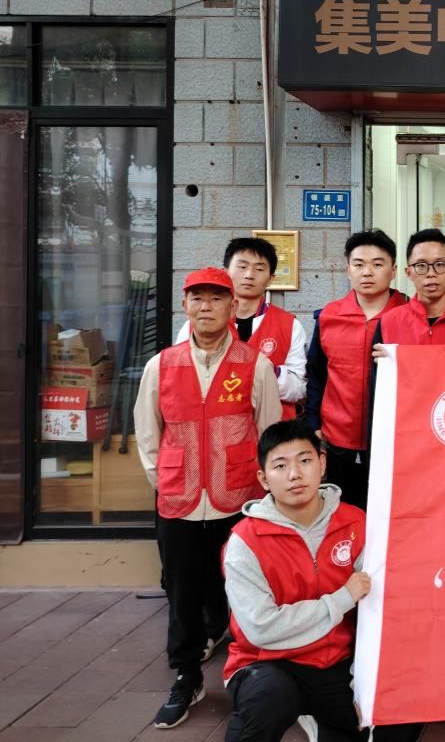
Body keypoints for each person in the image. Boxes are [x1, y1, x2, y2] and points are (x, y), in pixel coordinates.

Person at [134, 267, 282, 729]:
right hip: (179, 499)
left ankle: (249, 674)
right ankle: (187, 675)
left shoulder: (255, 365)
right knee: (181, 591)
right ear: (185, 305)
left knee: (242, 589)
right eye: (196, 298)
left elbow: (270, 432)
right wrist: (166, 480)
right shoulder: (161, 365)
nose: (205, 307)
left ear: (233, 307)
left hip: (237, 498)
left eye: (216, 298)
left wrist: (265, 493)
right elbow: (148, 433)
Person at [222, 419, 370, 742]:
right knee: (270, 698)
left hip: (335, 661)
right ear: (263, 478)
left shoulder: (355, 522)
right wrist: (342, 598)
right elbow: (261, 628)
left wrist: (367, 676)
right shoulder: (244, 542)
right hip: (268, 664)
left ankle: (322, 721)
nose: (295, 474)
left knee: (391, 718)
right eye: (280, 465)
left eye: (305, 460)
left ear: (322, 463)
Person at [306, 230, 408, 509]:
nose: (367, 272)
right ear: (348, 269)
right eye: (359, 264)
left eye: (377, 264)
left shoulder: (410, 315)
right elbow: (316, 373)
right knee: (343, 514)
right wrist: (314, 424)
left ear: (393, 271)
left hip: (394, 439)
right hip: (338, 439)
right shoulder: (329, 316)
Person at [176, 237, 307, 420]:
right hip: (213, 427)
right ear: (225, 272)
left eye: (259, 269)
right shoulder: (194, 325)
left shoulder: (290, 325)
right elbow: (181, 380)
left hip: (272, 430)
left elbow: (299, 389)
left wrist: (254, 372)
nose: (249, 275)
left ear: (271, 279)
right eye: (242, 266)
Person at [375, 228, 445, 346]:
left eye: (440, 264)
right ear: (408, 272)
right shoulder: (388, 323)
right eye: (421, 265)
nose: (431, 273)